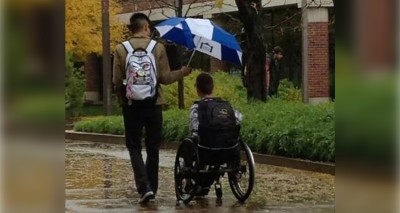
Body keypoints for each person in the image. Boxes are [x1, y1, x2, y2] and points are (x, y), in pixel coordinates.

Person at [112, 13, 192, 204]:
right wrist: (182, 72)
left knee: (134, 147)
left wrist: (123, 99)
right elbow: (164, 78)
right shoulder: (158, 48)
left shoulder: (120, 49)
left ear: (132, 28)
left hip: (131, 106)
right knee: (153, 148)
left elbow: (116, 81)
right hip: (154, 104)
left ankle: (144, 187)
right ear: (146, 27)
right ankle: (152, 189)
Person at [188, 72, 243, 196]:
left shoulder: (197, 108)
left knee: (190, 143)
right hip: (229, 150)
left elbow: (194, 129)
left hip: (206, 151)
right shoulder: (225, 106)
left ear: (197, 89)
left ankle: (193, 183)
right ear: (213, 87)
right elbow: (238, 119)